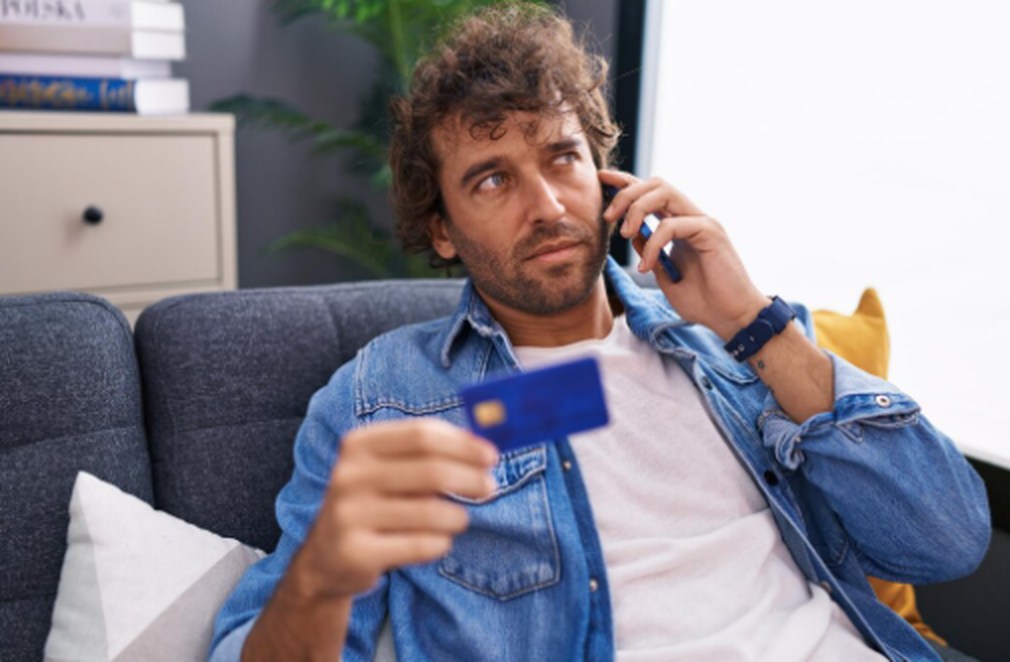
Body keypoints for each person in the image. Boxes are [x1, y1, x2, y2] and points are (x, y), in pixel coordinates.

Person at [210, 3, 990, 660]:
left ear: (607, 175)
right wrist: (320, 578)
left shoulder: (729, 352)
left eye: (562, 158)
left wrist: (754, 323)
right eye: (492, 179)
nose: (547, 205)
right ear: (440, 228)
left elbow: (949, 541)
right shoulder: (385, 399)